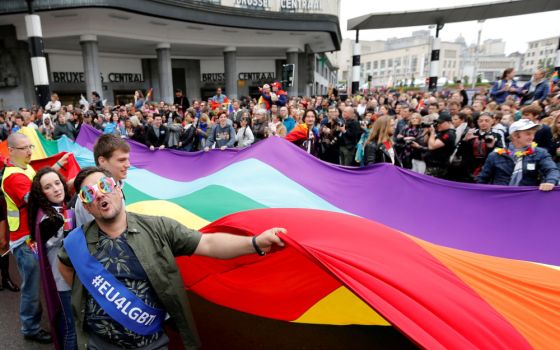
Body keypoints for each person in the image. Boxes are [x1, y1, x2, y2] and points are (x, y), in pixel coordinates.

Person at [57, 167, 286, 349]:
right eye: (90, 194)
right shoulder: (76, 241)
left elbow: (207, 242)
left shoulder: (158, 227)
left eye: (104, 186)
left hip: (151, 342)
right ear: (86, 206)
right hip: (100, 344)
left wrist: (254, 243)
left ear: (118, 188)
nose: (100, 195)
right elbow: (65, 266)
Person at [1, 134, 68, 344]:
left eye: (29, 146)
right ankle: (30, 327)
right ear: (10, 151)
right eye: (23, 148)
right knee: (31, 286)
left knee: (37, 282)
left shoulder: (24, 167)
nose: (29, 151)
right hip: (24, 240)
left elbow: (39, 185)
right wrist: (67, 185)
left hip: (30, 236)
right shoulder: (14, 176)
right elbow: (38, 197)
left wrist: (55, 167)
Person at [28, 168, 77, 350]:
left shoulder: (54, 210)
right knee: (71, 328)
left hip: (68, 278)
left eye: (57, 183)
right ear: (42, 194)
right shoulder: (50, 219)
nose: (56, 189)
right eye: (48, 187)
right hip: (64, 283)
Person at [477, 119, 559, 190]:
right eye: (528, 134)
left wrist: (550, 181)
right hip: (500, 198)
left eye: (533, 134)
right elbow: (482, 179)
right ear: (515, 135)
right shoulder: (495, 155)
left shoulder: (540, 153)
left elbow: (552, 170)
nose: (532, 137)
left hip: (526, 198)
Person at [74, 134, 130, 227]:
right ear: (102, 161)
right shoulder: (88, 196)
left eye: (128, 159)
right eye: (121, 160)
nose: (128, 165)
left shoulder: (117, 184)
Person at [424, 112, 456, 179]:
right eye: (438, 123)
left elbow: (432, 146)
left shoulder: (449, 134)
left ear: (449, 122)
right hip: (432, 164)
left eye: (441, 123)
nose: (438, 125)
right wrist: (427, 133)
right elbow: (426, 142)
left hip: (438, 167)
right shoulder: (441, 132)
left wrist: (432, 133)